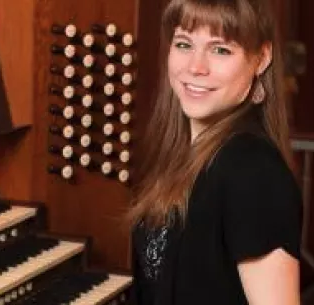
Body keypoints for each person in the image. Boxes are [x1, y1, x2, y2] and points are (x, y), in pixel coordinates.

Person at [128, 0, 303, 304]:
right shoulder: (188, 153)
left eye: (220, 49)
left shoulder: (253, 171)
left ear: (261, 58)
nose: (195, 67)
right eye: (184, 44)